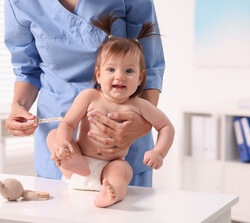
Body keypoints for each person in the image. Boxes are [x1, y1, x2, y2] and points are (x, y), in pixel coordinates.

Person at [4, 0, 165, 187]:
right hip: (59, 147)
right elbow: (27, 71)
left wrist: (141, 124)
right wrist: (18, 107)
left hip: (121, 143)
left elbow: (150, 66)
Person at [47, 13, 175, 207]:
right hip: (79, 158)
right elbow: (68, 123)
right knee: (54, 135)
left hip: (109, 166)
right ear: (99, 75)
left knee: (123, 170)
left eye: (129, 71)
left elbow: (166, 126)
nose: (120, 76)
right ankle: (73, 162)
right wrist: (64, 143)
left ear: (140, 79)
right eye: (111, 70)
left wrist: (158, 152)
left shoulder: (139, 105)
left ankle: (111, 192)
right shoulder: (89, 97)